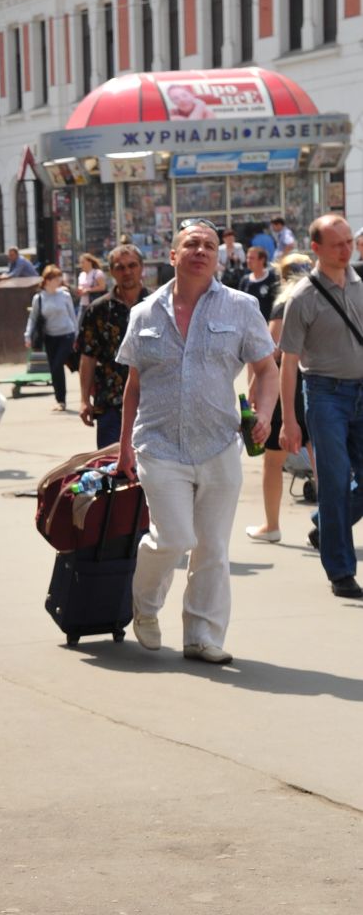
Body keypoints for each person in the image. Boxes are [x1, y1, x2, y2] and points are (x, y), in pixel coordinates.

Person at [116, 222, 277, 664]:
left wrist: (262, 416)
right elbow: (133, 384)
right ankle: (145, 606)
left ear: (219, 257)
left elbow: (266, 370)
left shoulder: (242, 307)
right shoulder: (145, 313)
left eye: (209, 245)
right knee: (173, 537)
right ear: (173, 256)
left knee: (212, 547)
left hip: (220, 444)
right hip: (159, 444)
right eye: (192, 244)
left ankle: (202, 636)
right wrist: (124, 445)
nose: (201, 250)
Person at [276, 214, 363, 599]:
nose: (347, 250)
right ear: (316, 249)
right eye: (338, 244)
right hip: (325, 394)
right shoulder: (302, 298)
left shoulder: (362, 283)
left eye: (349, 241)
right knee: (334, 480)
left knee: (342, 488)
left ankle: (325, 523)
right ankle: (341, 572)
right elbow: (288, 363)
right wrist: (290, 421)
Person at [244, 259, 310, 545]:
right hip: (319, 383)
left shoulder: (285, 304)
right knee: (320, 455)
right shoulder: (321, 297)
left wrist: (253, 388)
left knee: (273, 460)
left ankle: (271, 525)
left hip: (290, 386)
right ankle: (332, 524)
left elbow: (271, 352)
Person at [76, 244, 145, 449]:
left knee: (153, 473)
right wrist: (83, 399)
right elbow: (87, 357)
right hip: (110, 404)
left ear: (142, 268)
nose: (127, 272)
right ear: (112, 272)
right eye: (120, 267)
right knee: (111, 470)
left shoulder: (159, 305)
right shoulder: (98, 310)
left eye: (132, 265)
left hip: (152, 404)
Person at [24, 265, 78, 411]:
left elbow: (73, 316)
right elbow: (33, 318)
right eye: (55, 278)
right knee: (55, 369)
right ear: (47, 280)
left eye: (60, 277)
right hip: (50, 337)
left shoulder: (65, 295)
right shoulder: (39, 298)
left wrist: (77, 335)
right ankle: (60, 401)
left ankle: (90, 391)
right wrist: (27, 335)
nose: (59, 280)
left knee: (58, 364)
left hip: (67, 334)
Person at [241, 243, 280, 322]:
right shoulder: (245, 281)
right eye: (247, 258)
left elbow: (277, 305)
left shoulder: (272, 278)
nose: (248, 261)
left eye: (252, 258)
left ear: (262, 260)